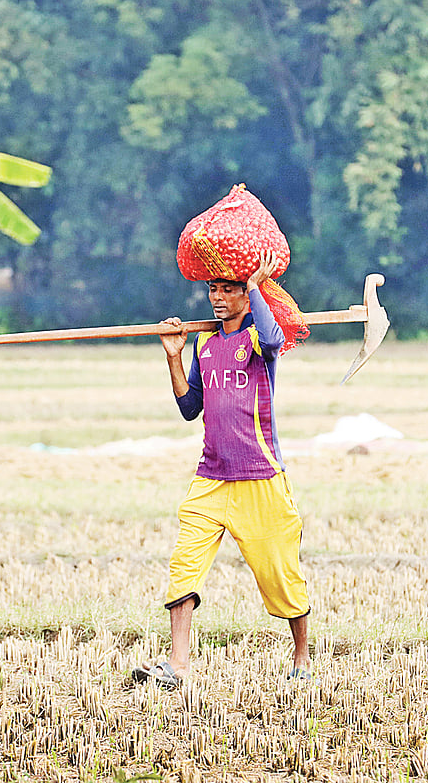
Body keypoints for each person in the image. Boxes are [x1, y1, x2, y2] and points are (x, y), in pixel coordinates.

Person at [133, 246, 310, 690]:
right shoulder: (205, 343)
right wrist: (174, 356)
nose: (217, 297)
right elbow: (190, 407)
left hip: (260, 477)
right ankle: (178, 665)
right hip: (211, 477)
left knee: (280, 574)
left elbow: (273, 341)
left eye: (228, 289)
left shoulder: (256, 339)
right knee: (184, 565)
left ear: (245, 296)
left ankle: (302, 655)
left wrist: (256, 287)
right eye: (213, 288)